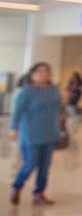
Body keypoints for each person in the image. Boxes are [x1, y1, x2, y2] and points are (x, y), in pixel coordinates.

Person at [9, 62, 64, 206]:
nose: (43, 74)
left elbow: (57, 107)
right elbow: (17, 111)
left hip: (50, 133)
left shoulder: (53, 89)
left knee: (45, 167)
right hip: (31, 134)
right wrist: (13, 128)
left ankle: (39, 193)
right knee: (30, 163)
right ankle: (17, 186)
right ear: (32, 75)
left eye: (46, 71)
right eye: (40, 71)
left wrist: (63, 102)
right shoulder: (26, 92)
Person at [64, 71, 82, 135]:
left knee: (76, 118)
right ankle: (69, 131)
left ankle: (72, 131)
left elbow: (79, 93)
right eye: (72, 78)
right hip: (70, 104)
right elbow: (68, 91)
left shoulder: (80, 87)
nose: (73, 79)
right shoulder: (70, 85)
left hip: (74, 104)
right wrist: (70, 93)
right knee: (72, 117)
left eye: (75, 78)